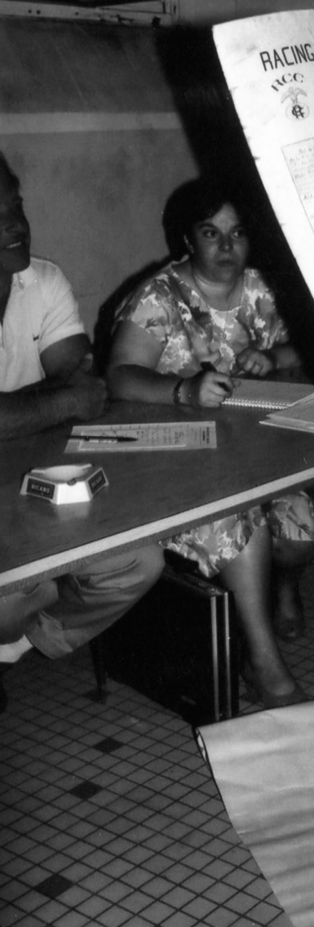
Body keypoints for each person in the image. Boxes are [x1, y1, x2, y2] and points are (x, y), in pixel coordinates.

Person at [106, 177, 314, 708]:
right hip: (177, 462)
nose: (227, 247)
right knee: (240, 526)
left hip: (253, 452)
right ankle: (265, 665)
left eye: (238, 233)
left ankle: (283, 586)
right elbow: (117, 377)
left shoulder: (261, 288)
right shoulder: (159, 297)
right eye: (211, 233)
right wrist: (182, 388)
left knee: (300, 537)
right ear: (188, 240)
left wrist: (273, 358)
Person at [0, 152, 164, 710]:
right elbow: (67, 393)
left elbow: (85, 389)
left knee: (140, 561)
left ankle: (19, 646)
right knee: (19, 590)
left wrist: (30, 410)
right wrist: (53, 402)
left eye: (16, 206)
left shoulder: (42, 282)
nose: (16, 225)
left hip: (33, 481)